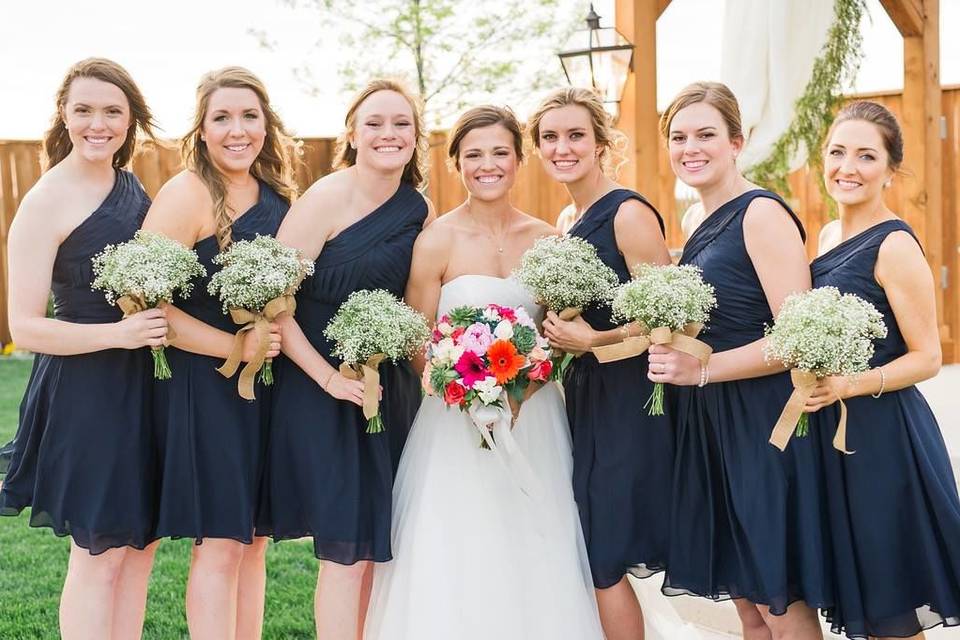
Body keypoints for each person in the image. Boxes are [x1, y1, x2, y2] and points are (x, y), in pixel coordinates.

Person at [363, 105, 604, 639]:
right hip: (452, 423)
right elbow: (415, 337)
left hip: (533, 419)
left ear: (520, 161)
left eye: (500, 153)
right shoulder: (437, 240)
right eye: (473, 154)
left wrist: (520, 389)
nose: (487, 165)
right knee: (460, 544)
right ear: (456, 164)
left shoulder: (549, 242)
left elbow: (561, 339)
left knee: (535, 540)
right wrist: (464, 387)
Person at [651, 81, 830, 640]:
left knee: (780, 599)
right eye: (679, 137)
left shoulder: (760, 214)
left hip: (761, 422)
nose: (691, 148)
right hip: (710, 425)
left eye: (706, 134)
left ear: (736, 142)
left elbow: (799, 340)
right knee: (748, 604)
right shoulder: (692, 222)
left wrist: (702, 370)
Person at [259, 78, 431, 640]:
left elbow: (418, 303)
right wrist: (329, 378)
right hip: (320, 387)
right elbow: (273, 302)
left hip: (389, 390)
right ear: (352, 134)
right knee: (345, 551)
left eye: (401, 124)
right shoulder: (326, 198)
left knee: (382, 546)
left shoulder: (418, 208)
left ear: (415, 137)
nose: (388, 133)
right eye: (375, 123)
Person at [0, 58, 165, 640]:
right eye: (85, 110)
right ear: (64, 116)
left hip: (145, 383)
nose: (99, 124)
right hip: (86, 389)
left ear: (131, 120)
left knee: (139, 546)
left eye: (112, 111)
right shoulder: (45, 201)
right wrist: (116, 335)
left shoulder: (130, 184)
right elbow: (27, 325)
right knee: (98, 555)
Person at [141, 66, 296, 640]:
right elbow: (146, 303)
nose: (238, 130)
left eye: (249, 116)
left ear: (266, 125)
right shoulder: (188, 193)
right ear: (201, 130)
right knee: (221, 545)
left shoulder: (277, 195)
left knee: (253, 541)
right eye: (222, 118)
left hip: (268, 388)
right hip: (206, 388)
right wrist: (235, 344)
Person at [807, 100, 960, 639]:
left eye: (866, 156)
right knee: (868, 605)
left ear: (891, 170)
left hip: (884, 438)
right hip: (835, 433)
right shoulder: (827, 234)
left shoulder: (893, 244)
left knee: (891, 605)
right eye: (838, 152)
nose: (847, 167)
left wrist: (851, 383)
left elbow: (928, 357)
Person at [532, 87, 674, 640]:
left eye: (575, 136)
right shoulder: (567, 217)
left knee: (605, 553)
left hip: (631, 402)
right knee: (594, 550)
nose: (562, 148)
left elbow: (670, 316)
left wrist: (595, 338)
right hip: (586, 399)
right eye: (550, 137)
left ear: (600, 144)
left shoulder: (628, 213)